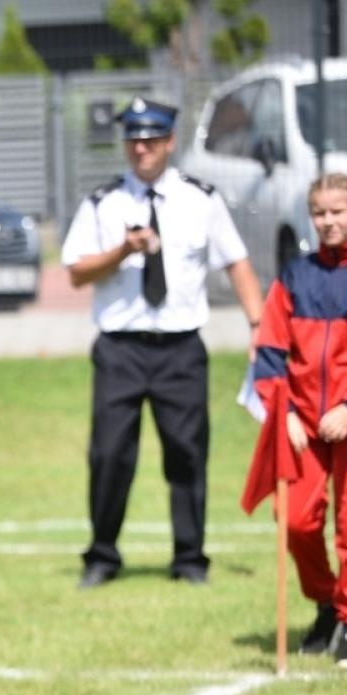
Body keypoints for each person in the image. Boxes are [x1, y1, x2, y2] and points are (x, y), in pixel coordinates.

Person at [63, 96, 264, 589]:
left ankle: (190, 556)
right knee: (110, 455)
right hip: (121, 348)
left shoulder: (201, 198)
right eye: (133, 140)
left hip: (179, 348)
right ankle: (103, 555)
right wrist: (121, 250)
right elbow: (76, 272)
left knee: (187, 453)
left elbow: (236, 262)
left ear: (170, 143)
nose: (141, 149)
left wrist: (259, 327)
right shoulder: (103, 202)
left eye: (151, 140)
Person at [252, 173, 347, 667]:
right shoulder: (294, 276)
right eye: (319, 212)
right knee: (297, 521)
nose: (328, 221)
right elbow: (270, 354)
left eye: (338, 211)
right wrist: (287, 414)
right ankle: (327, 603)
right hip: (301, 425)